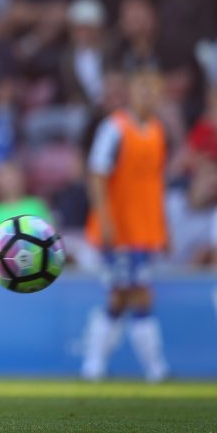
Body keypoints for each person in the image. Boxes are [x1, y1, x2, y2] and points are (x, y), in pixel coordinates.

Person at [81, 61, 170, 383]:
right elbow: (97, 175)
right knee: (138, 294)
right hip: (119, 230)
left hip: (146, 229)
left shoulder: (158, 131)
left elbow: (154, 184)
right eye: (142, 87)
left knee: (119, 297)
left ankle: (94, 365)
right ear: (131, 92)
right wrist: (105, 220)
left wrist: (163, 229)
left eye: (153, 88)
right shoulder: (114, 128)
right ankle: (155, 369)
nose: (148, 94)